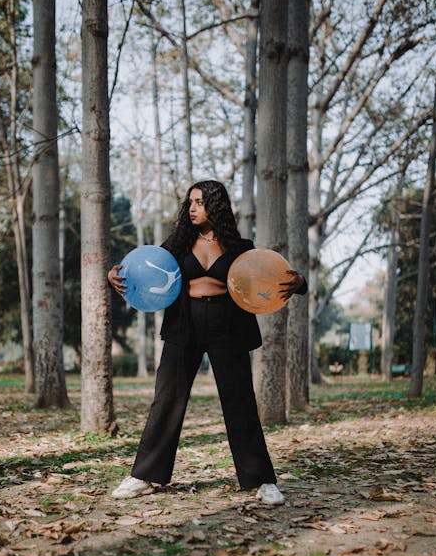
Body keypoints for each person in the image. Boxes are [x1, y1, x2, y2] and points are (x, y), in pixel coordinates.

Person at [108, 180, 307, 505]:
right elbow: (142, 270)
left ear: (216, 206)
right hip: (184, 325)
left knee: (240, 402)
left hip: (227, 326)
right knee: (167, 398)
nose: (193, 208)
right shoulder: (177, 243)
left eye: (200, 202)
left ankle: (262, 481)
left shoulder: (241, 247)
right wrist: (112, 274)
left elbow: (274, 279)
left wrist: (300, 282)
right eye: (190, 203)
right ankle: (143, 475)